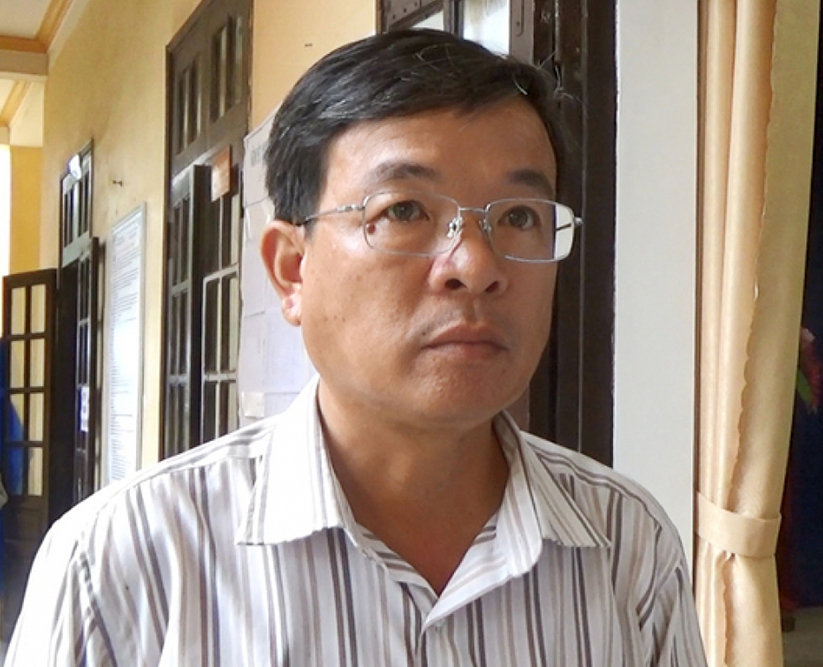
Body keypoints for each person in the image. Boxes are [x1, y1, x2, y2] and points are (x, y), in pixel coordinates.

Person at [5, 29, 706, 666]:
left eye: (520, 216)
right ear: (292, 270)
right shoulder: (123, 564)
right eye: (403, 210)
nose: (476, 265)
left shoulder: (627, 545)